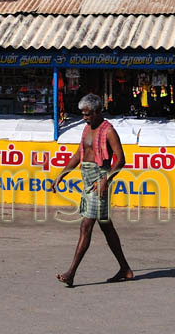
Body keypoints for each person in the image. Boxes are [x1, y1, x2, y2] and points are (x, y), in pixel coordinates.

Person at [51, 93, 133, 286]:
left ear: (97, 111)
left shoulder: (109, 131)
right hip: (87, 179)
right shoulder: (87, 129)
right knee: (106, 227)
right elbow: (80, 153)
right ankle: (125, 269)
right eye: (83, 114)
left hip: (99, 181)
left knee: (86, 225)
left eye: (88, 114)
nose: (84, 117)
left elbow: (121, 160)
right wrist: (63, 173)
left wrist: (106, 179)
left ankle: (71, 273)